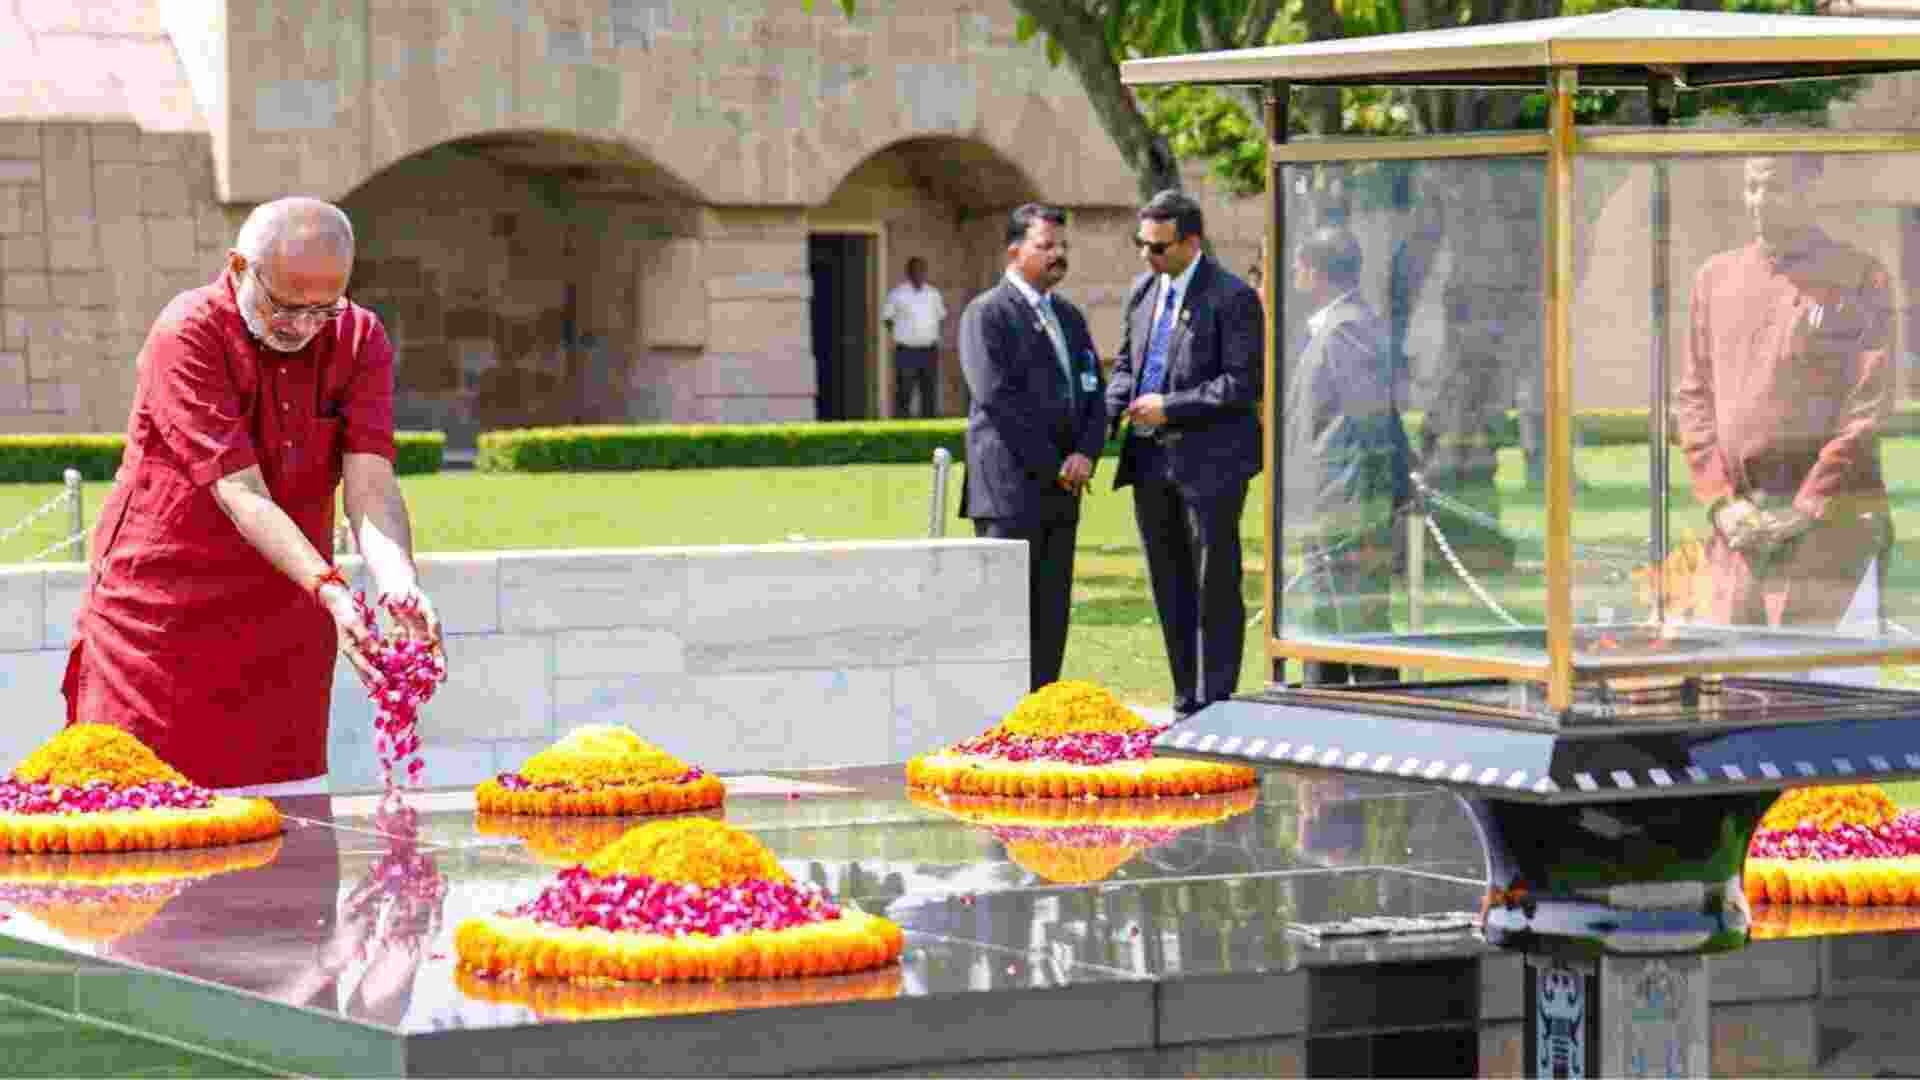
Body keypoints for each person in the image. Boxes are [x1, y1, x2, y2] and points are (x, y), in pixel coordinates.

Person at [63, 197, 442, 794]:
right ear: (239, 266)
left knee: (288, 845)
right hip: (163, 624)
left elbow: (370, 478)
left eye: (324, 307)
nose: (303, 326)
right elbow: (241, 492)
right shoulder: (188, 331)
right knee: (144, 842)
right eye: (285, 306)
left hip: (288, 620)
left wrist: (397, 583)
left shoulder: (357, 335)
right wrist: (332, 587)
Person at [1674, 155, 1894, 630]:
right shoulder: (1715, 278)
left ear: (1811, 188)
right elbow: (1693, 398)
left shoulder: (1860, 276)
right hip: (1739, 530)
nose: (1759, 201)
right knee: (1734, 689)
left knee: (1826, 694)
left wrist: (1807, 506)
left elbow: (1867, 407)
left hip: (1831, 531)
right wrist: (1721, 501)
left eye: (1773, 188)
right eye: (1752, 187)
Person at [1106, 190, 1263, 719]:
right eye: (1141, 245)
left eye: (1157, 247)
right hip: (1149, 462)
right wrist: (1112, 408)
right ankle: (1184, 698)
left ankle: (1217, 699)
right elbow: (1127, 364)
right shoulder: (1142, 292)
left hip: (1211, 464)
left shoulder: (1231, 297)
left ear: (1191, 242)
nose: (1147, 257)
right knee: (1168, 581)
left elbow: (1241, 384)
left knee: (1213, 582)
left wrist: (1169, 407)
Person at [959, 204, 1106, 691]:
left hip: (1064, 490)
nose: (1058, 255)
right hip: (1010, 492)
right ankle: (999, 722)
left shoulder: (1069, 316)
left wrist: (1086, 452)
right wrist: (1055, 466)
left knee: (1050, 612)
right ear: (1015, 251)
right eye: (1046, 246)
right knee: (1005, 616)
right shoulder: (988, 314)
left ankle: (1042, 715)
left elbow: (1092, 390)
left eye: (1063, 246)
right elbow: (997, 399)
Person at [1281, 225, 1413, 686]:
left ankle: (1387, 731)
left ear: (1317, 273)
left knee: (1361, 628)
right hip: (1328, 504)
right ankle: (1324, 723)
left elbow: (1374, 420)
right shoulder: (1335, 327)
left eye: (1299, 267)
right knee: (1323, 630)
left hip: (1346, 505)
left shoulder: (1348, 328)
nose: (1294, 274)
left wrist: (1391, 490)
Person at [882, 256, 947, 418]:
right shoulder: (898, 294)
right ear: (908, 272)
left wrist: (932, 336)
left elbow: (940, 317)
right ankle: (901, 425)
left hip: (929, 349)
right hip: (906, 350)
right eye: (915, 270)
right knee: (904, 390)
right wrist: (901, 334)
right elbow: (887, 318)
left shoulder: (933, 293)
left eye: (922, 270)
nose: (919, 273)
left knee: (929, 390)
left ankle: (930, 424)